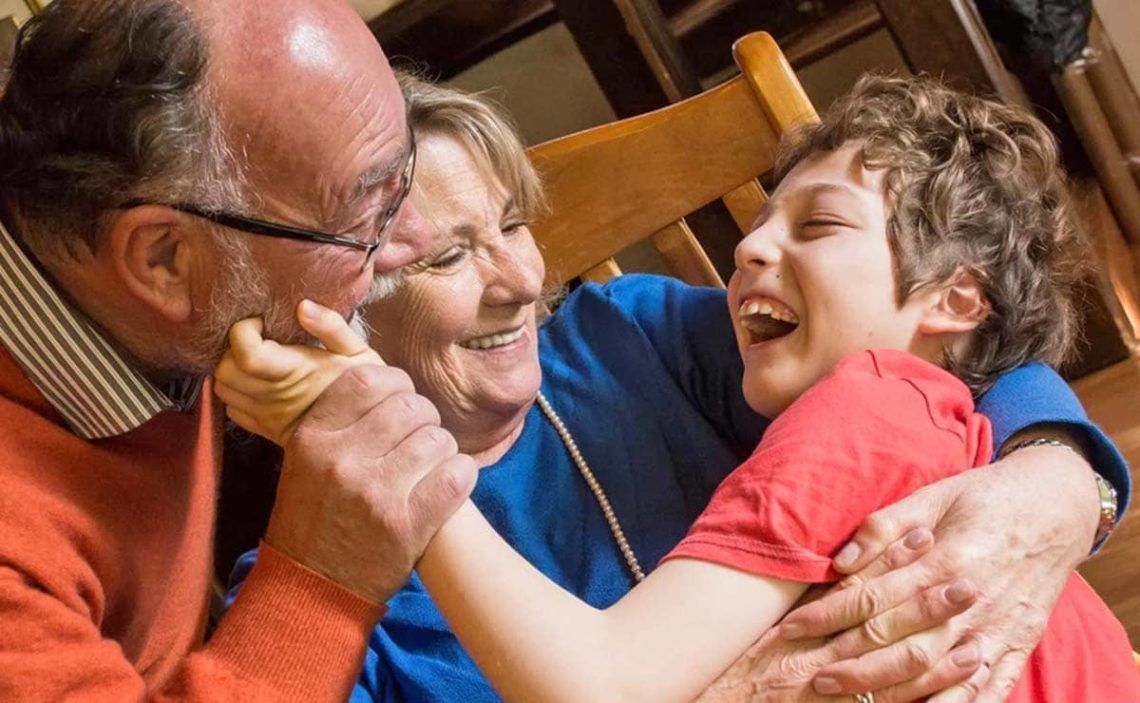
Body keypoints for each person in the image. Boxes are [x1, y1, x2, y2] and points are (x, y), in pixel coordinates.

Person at [223, 76, 1131, 702]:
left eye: (512, 224)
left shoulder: (640, 336)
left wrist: (1057, 481)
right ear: (322, 311)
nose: (519, 280)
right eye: (451, 255)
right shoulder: (321, 571)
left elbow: (963, 369)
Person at [0, 1, 477, 700]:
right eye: (367, 211)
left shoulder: (163, 305)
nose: (418, 237)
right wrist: (321, 579)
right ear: (164, 260)